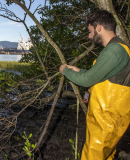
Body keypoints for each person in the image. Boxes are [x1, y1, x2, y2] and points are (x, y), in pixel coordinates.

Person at [59, 10, 130, 160]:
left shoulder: (114, 51)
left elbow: (87, 80)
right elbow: (103, 77)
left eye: (90, 32)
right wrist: (80, 70)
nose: (89, 36)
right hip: (110, 119)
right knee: (106, 156)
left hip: (106, 120)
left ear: (99, 28)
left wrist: (65, 71)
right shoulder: (119, 48)